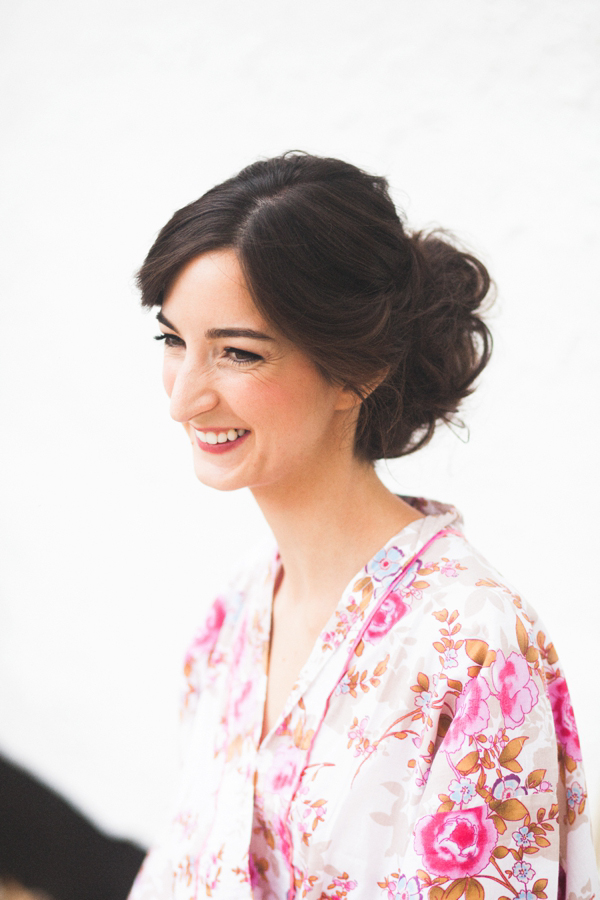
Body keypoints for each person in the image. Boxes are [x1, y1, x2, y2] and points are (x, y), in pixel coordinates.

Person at [127, 153, 599, 900]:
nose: (184, 399)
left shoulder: (473, 646)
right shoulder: (238, 610)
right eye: (173, 341)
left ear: (357, 370)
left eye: (237, 353)